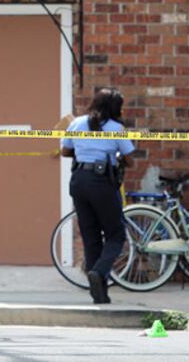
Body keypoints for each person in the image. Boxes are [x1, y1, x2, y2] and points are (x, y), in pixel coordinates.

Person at [60, 88, 135, 304]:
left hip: (79, 181)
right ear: (115, 109)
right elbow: (130, 160)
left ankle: (99, 294)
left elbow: (65, 151)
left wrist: (85, 150)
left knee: (91, 236)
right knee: (116, 233)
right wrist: (112, 153)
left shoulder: (77, 123)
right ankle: (100, 271)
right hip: (102, 182)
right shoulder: (116, 128)